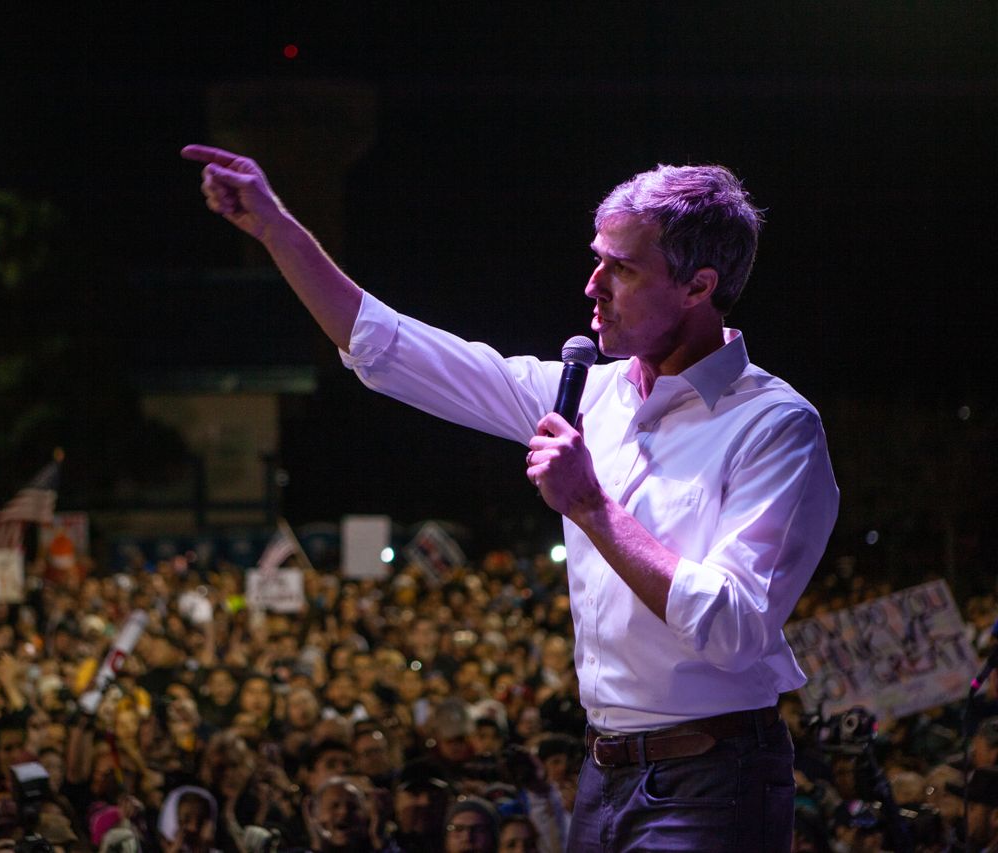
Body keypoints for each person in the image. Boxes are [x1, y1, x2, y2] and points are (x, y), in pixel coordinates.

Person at [182, 144, 840, 852]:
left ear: (698, 286)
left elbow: (734, 625)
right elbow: (391, 351)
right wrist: (279, 228)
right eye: (597, 258)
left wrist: (591, 506)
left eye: (622, 267)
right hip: (605, 770)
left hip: (713, 780)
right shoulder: (594, 395)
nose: (593, 285)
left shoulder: (774, 425)